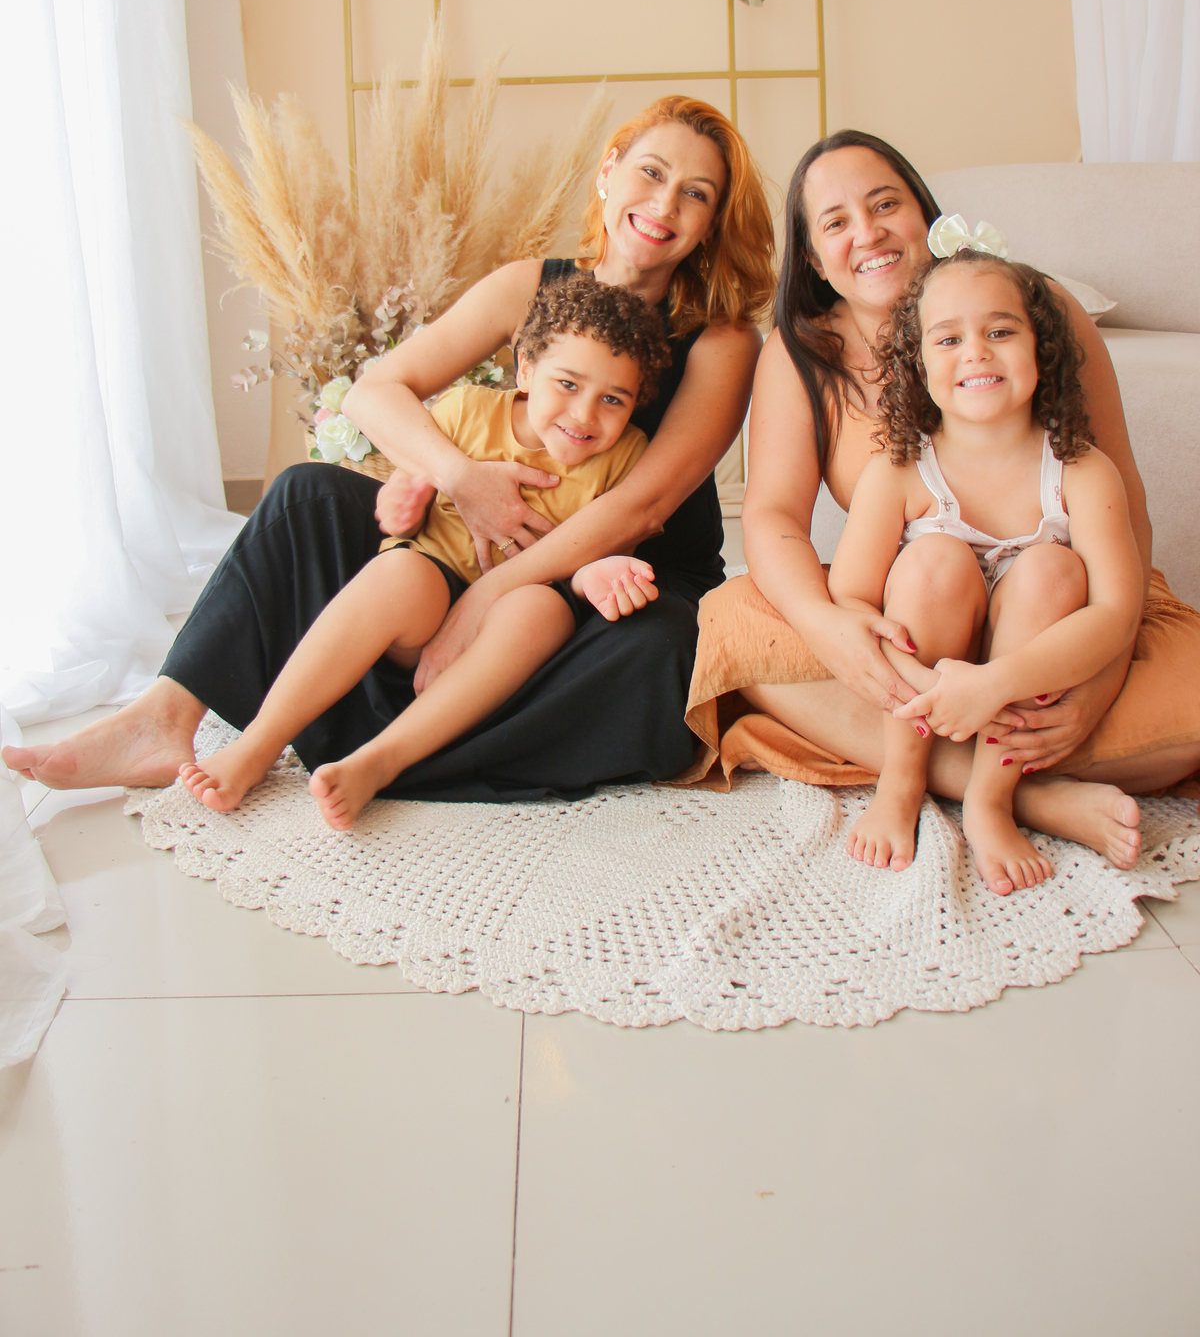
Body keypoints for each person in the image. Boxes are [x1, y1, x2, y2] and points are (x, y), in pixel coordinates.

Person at [5, 97, 774, 800]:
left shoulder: (724, 339)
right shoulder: (527, 286)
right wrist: (460, 477)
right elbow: (375, 391)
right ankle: (164, 717)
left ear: (711, 223)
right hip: (461, 544)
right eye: (651, 173)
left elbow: (644, 506)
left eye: (696, 194)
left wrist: (486, 599)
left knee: (660, 652)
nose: (664, 204)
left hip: (612, 574)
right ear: (609, 172)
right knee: (304, 494)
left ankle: (388, 749)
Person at [684, 131, 1200, 864]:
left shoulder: (1040, 310)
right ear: (814, 258)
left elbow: (1123, 522)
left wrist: (1092, 682)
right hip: (912, 627)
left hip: (1056, 616)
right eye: (836, 222)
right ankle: (1026, 796)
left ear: (927, 215)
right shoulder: (803, 353)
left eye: (884, 204)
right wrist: (832, 631)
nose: (868, 234)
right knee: (734, 622)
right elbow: (771, 519)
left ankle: (994, 763)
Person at [177, 275, 672, 828]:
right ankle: (259, 743)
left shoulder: (626, 457)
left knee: (541, 610)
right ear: (526, 369)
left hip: (510, 632)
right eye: (568, 384)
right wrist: (402, 503)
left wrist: (598, 576)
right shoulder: (466, 412)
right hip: (425, 600)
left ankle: (378, 762)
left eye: (613, 399)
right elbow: (406, 486)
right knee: (402, 572)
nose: (584, 414)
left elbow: (596, 552)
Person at [828, 246, 1143, 891]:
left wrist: (994, 684)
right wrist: (927, 685)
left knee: (1054, 569)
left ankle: (990, 800)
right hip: (929, 662)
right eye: (949, 339)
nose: (975, 353)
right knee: (933, 559)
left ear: (1041, 349)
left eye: (1000, 332)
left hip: (1024, 671)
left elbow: (1116, 612)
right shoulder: (897, 471)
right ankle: (902, 781)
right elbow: (851, 600)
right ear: (918, 364)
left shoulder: (1082, 470)